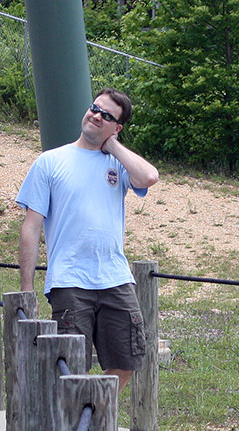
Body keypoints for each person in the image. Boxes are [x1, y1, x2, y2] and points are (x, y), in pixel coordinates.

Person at [16, 88, 159, 392]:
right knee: (70, 366)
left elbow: (148, 178)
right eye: (95, 108)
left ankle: (92, 420)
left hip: (115, 279)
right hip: (69, 280)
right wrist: (26, 289)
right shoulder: (50, 162)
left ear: (116, 128)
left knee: (127, 360)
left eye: (107, 116)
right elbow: (31, 228)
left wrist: (113, 147)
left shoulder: (118, 164)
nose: (96, 115)